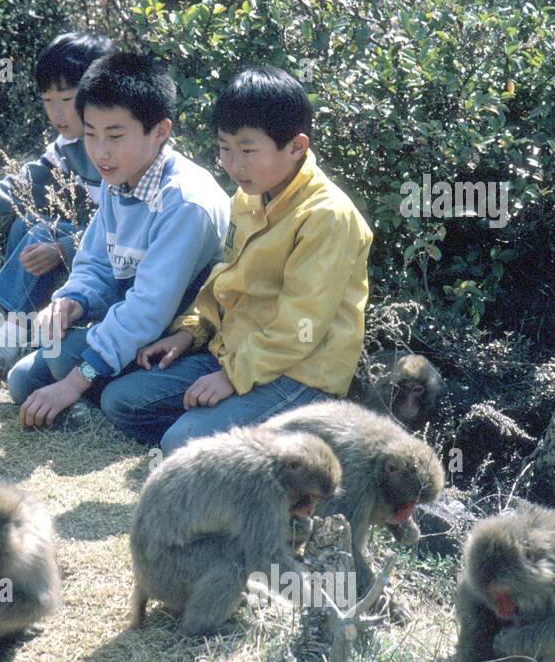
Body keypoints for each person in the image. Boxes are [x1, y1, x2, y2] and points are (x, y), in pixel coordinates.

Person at [102, 66, 372, 452]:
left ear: (296, 146)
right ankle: (232, 430)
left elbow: (303, 327)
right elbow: (224, 279)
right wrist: (190, 332)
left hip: (299, 375)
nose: (233, 164)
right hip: (233, 352)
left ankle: (298, 440)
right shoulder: (248, 196)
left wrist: (232, 378)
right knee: (121, 401)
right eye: (225, 148)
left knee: (180, 442)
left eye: (247, 150)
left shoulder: (327, 216)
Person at [7, 51, 231, 428]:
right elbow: (95, 263)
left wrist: (75, 383)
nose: (100, 152)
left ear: (160, 131)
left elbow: (148, 308)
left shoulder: (185, 203)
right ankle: (102, 379)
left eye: (114, 135)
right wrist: (71, 301)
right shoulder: (123, 176)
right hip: (140, 331)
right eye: (90, 134)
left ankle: (106, 389)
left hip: (188, 338)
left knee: (114, 396)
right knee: (26, 377)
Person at [0, 32, 113, 379]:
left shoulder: (119, 147)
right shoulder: (69, 146)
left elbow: (125, 230)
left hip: (117, 270)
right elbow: (24, 183)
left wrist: (63, 247)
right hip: (90, 256)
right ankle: (3, 338)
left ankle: (0, 346)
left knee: (40, 233)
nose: (57, 112)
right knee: (25, 226)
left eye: (67, 98)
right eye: (47, 100)